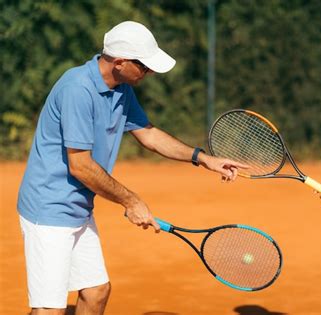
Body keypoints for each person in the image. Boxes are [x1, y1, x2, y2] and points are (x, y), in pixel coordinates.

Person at [17, 21, 247, 315]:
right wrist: (131, 200)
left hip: (77, 208)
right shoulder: (78, 89)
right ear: (120, 62)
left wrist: (203, 158)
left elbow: (148, 134)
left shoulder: (120, 90)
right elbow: (81, 166)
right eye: (144, 66)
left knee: (96, 293)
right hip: (48, 210)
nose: (149, 72)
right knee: (50, 310)